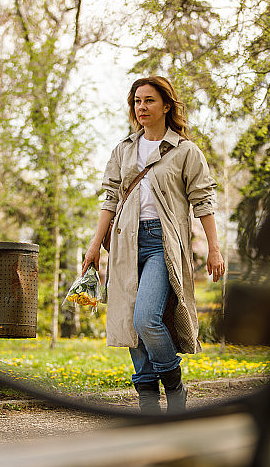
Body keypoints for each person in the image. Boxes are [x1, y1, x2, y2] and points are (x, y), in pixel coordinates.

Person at [82, 76, 225, 414]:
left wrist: (215, 248)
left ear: (166, 106)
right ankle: (148, 403)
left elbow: (203, 201)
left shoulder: (185, 151)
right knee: (133, 323)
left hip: (163, 244)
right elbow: (111, 199)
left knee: (147, 317)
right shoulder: (124, 149)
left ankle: (174, 385)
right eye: (136, 101)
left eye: (148, 100)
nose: (141, 107)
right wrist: (93, 246)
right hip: (124, 243)